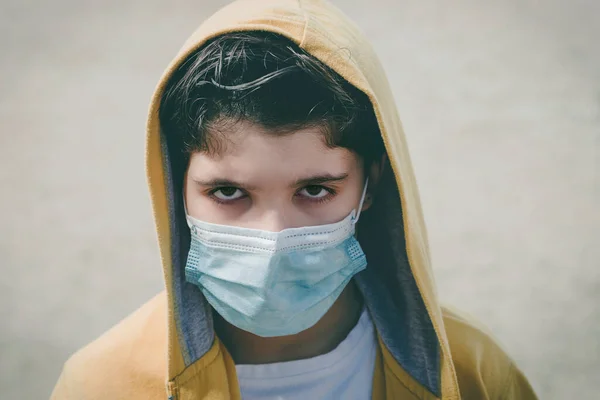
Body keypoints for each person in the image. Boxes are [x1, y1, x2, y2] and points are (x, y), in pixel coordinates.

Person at [51, 0, 538, 399]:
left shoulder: (472, 375)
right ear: (175, 186)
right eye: (227, 192)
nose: (274, 238)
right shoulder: (103, 384)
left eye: (314, 190)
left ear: (370, 186)